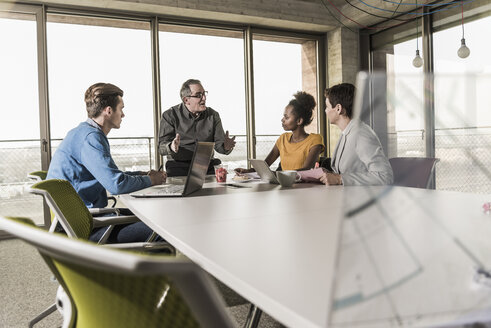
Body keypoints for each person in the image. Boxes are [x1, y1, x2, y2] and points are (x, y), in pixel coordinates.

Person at [47, 82, 167, 243]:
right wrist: (152, 180)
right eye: (121, 108)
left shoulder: (84, 132)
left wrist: (142, 175)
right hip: (86, 226)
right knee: (165, 231)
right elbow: (115, 185)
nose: (123, 114)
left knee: (153, 217)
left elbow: (110, 175)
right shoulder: (91, 138)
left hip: (82, 219)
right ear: (108, 111)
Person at [320, 83, 393, 186]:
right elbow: (345, 172)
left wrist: (340, 179)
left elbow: (385, 176)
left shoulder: (361, 134)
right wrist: (329, 175)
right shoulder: (346, 133)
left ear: (338, 108)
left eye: (327, 106)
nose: (325, 111)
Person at [158, 79, 236, 176]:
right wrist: (171, 146)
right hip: (178, 166)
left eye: (204, 94)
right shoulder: (170, 115)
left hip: (206, 166)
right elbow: (161, 148)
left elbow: (219, 147)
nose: (204, 98)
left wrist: (226, 147)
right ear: (186, 100)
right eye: (198, 95)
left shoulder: (213, 115)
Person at [235, 91, 324, 174]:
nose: (282, 120)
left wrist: (278, 174)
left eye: (286, 117)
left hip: (306, 187)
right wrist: (248, 171)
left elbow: (307, 170)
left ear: (299, 121)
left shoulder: (315, 140)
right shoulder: (283, 139)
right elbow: (265, 165)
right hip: (285, 186)